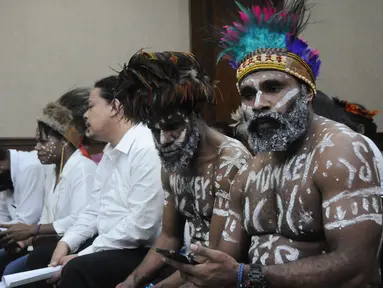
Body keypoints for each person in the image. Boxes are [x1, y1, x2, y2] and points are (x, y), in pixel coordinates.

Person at [162, 1, 383, 287]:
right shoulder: (248, 174)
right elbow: (221, 265)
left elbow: (356, 267)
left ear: (307, 94)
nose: (259, 104)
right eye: (248, 93)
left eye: (273, 88)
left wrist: (248, 275)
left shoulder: (341, 152)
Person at [114, 51, 251, 288]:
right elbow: (170, 237)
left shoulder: (230, 162)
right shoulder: (174, 163)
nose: (164, 139)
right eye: (154, 131)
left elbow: (218, 258)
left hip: (223, 275)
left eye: (172, 127)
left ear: (196, 116)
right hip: (190, 268)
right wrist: (132, 281)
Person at [36, 75, 163, 288]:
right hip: (112, 243)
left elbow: (142, 226)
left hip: (141, 249)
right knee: (42, 257)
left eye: (91, 106)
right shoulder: (110, 150)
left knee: (77, 269)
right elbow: (93, 210)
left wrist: (87, 253)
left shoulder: (145, 147)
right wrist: (67, 242)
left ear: (114, 107)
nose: (85, 115)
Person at [0, 88, 97, 276]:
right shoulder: (52, 171)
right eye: (37, 141)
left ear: (65, 141)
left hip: (76, 246)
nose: (37, 147)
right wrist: (25, 241)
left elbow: (81, 219)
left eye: (44, 142)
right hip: (52, 243)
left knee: (14, 269)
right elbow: (46, 218)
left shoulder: (84, 168)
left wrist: (32, 230)